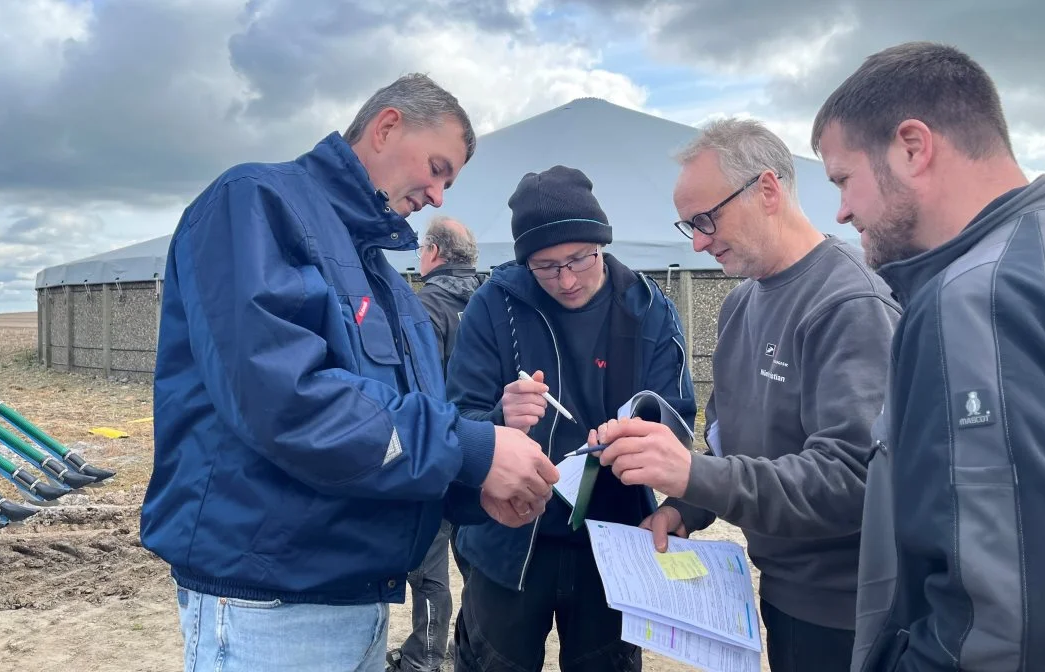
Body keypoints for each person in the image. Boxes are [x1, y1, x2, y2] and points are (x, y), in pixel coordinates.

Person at [139, 73, 559, 672]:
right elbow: (288, 402)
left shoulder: (381, 277)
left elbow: (378, 431)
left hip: (356, 597)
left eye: (450, 181)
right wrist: (474, 449)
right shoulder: (256, 203)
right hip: (272, 606)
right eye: (438, 168)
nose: (440, 196)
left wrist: (473, 489)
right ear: (387, 126)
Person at [593, 118, 901, 672]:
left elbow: (856, 479)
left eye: (707, 220)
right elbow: (733, 443)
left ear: (767, 190)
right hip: (779, 597)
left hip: (852, 614)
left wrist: (693, 476)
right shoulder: (740, 306)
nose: (701, 241)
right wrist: (687, 507)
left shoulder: (849, 303)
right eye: (689, 226)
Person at [811, 41, 1045, 671]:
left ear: (912, 146)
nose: (842, 211)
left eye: (844, 179)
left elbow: (1005, 623)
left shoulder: (975, 299)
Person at [445, 165, 698, 672]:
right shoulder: (494, 305)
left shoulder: (646, 306)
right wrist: (499, 417)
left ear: (601, 243)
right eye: (545, 266)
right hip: (510, 541)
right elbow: (455, 421)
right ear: (524, 262)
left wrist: (638, 438)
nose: (565, 279)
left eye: (579, 259)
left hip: (613, 535)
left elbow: (679, 422)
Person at [386, 215, 484, 672]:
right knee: (478, 563)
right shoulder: (489, 300)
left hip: (440, 448)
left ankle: (424, 656)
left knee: (429, 566)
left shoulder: (424, 308)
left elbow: (417, 387)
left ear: (432, 253)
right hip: (487, 449)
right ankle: (474, 646)